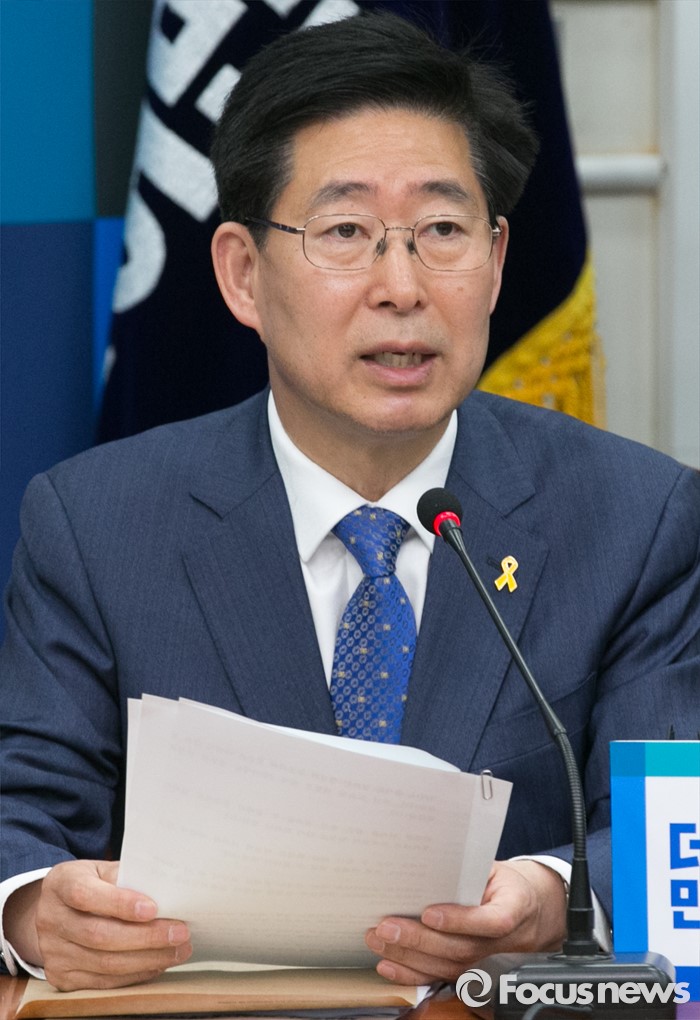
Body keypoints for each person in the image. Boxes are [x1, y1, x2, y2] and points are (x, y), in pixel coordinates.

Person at [1, 11, 698, 995]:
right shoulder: (98, 522)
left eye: (443, 231)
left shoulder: (634, 517)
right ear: (243, 274)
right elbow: (21, 808)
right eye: (345, 233)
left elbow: (671, 813)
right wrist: (36, 910)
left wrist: (556, 896)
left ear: (497, 259)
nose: (401, 287)